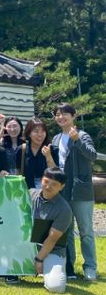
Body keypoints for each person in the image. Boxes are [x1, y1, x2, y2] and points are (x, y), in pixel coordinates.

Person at [51, 103, 97, 281]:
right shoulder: (56, 139)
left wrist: (77, 140)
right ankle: (69, 266)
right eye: (57, 114)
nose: (61, 117)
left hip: (81, 190)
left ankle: (90, 267)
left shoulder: (82, 135)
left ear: (73, 116)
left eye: (64, 114)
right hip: (63, 190)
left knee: (86, 231)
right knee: (67, 230)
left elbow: (92, 155)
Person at [30, 168, 73, 294]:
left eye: (54, 184)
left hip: (52, 251)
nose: (48, 186)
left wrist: (39, 259)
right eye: (46, 181)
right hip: (27, 246)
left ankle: (48, 270)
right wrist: (6, 177)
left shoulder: (64, 210)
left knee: (56, 287)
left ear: (62, 187)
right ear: (41, 180)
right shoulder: (30, 194)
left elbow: (52, 238)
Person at [17, 117, 58, 190]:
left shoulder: (52, 149)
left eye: (43, 131)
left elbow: (56, 174)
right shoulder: (22, 149)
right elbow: (17, 172)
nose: (40, 134)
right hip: (27, 191)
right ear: (29, 133)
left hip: (47, 191)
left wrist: (48, 156)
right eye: (36, 131)